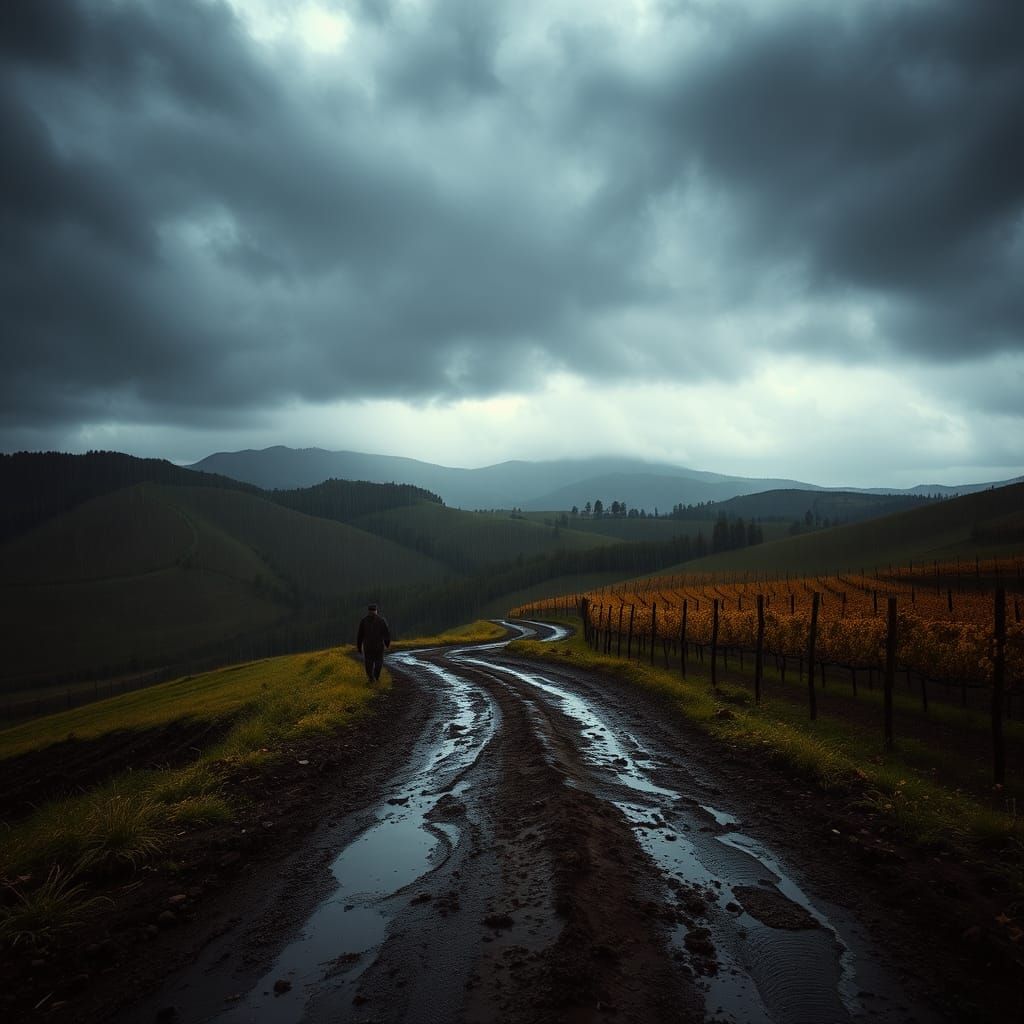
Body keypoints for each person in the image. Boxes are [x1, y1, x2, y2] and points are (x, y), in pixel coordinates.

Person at [356, 603, 390, 683]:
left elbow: (360, 635)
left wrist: (359, 646)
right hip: (379, 646)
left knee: (368, 662)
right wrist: (387, 643)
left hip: (368, 646)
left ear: (368, 611)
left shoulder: (364, 621)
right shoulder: (381, 620)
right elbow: (386, 633)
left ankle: (371, 678)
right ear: (376, 611)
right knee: (379, 661)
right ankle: (376, 677)